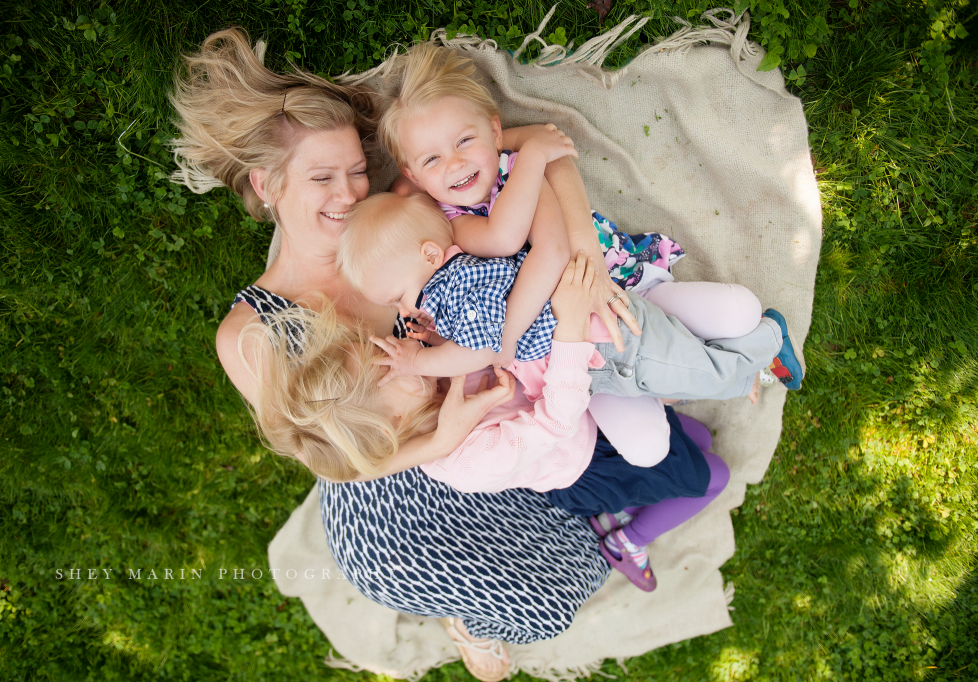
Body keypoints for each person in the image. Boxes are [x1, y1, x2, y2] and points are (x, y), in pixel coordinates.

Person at [170, 28, 649, 682]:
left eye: (356, 171)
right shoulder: (254, 332)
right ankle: (467, 617)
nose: (347, 195)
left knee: (603, 512)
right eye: (322, 178)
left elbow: (517, 150)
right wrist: (440, 436)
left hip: (490, 422)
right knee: (550, 598)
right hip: (394, 492)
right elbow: (336, 466)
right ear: (268, 184)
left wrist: (577, 232)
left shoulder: (390, 226)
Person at [258, 253, 732, 593]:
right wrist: (568, 327)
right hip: (590, 463)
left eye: (378, 345)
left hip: (590, 421)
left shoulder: (424, 379)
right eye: (385, 362)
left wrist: (441, 342)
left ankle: (624, 512)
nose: (394, 347)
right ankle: (626, 539)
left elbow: (485, 350)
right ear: (393, 421)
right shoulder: (465, 463)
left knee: (698, 438)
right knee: (713, 477)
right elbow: (555, 422)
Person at [337, 191, 803, 465]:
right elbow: (474, 334)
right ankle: (741, 364)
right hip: (597, 366)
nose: (402, 309)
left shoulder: (456, 283)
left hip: (613, 340)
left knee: (709, 377)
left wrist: (419, 358)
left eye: (399, 296)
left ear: (430, 257)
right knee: (678, 393)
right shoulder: (450, 291)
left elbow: (482, 349)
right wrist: (433, 336)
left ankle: (768, 343)